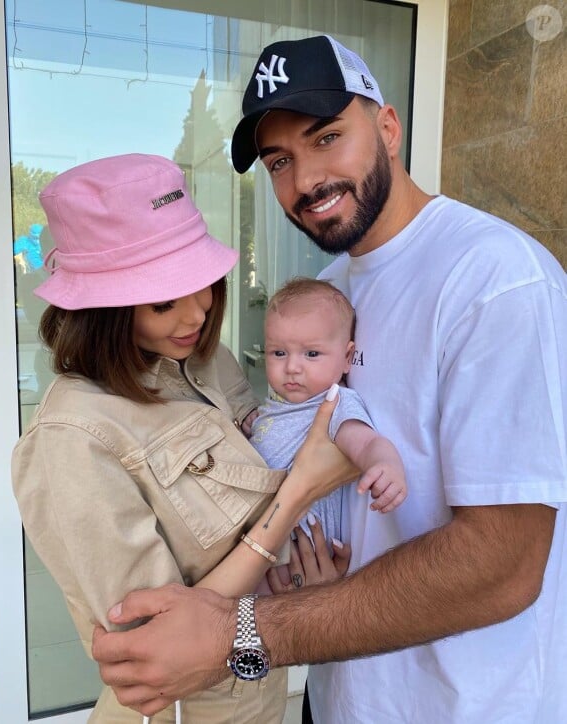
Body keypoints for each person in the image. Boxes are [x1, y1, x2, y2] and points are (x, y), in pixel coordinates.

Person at [91, 36, 567, 724]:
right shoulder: (328, 288)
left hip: (468, 704)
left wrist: (240, 635)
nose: (305, 180)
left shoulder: (496, 280)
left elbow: (503, 566)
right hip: (341, 691)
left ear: (389, 127)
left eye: (326, 138)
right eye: (280, 161)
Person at [11, 153, 356, 724]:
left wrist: (303, 580)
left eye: (202, 283)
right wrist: (299, 494)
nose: (197, 312)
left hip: (263, 680)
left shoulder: (204, 360)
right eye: (164, 299)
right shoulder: (70, 440)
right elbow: (160, 645)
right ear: (103, 311)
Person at [251, 277, 406, 564]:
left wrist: (385, 465)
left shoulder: (335, 402)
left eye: (312, 354)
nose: (292, 367)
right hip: (264, 541)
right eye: (278, 353)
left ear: (347, 357)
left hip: (301, 549)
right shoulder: (276, 405)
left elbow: (366, 442)